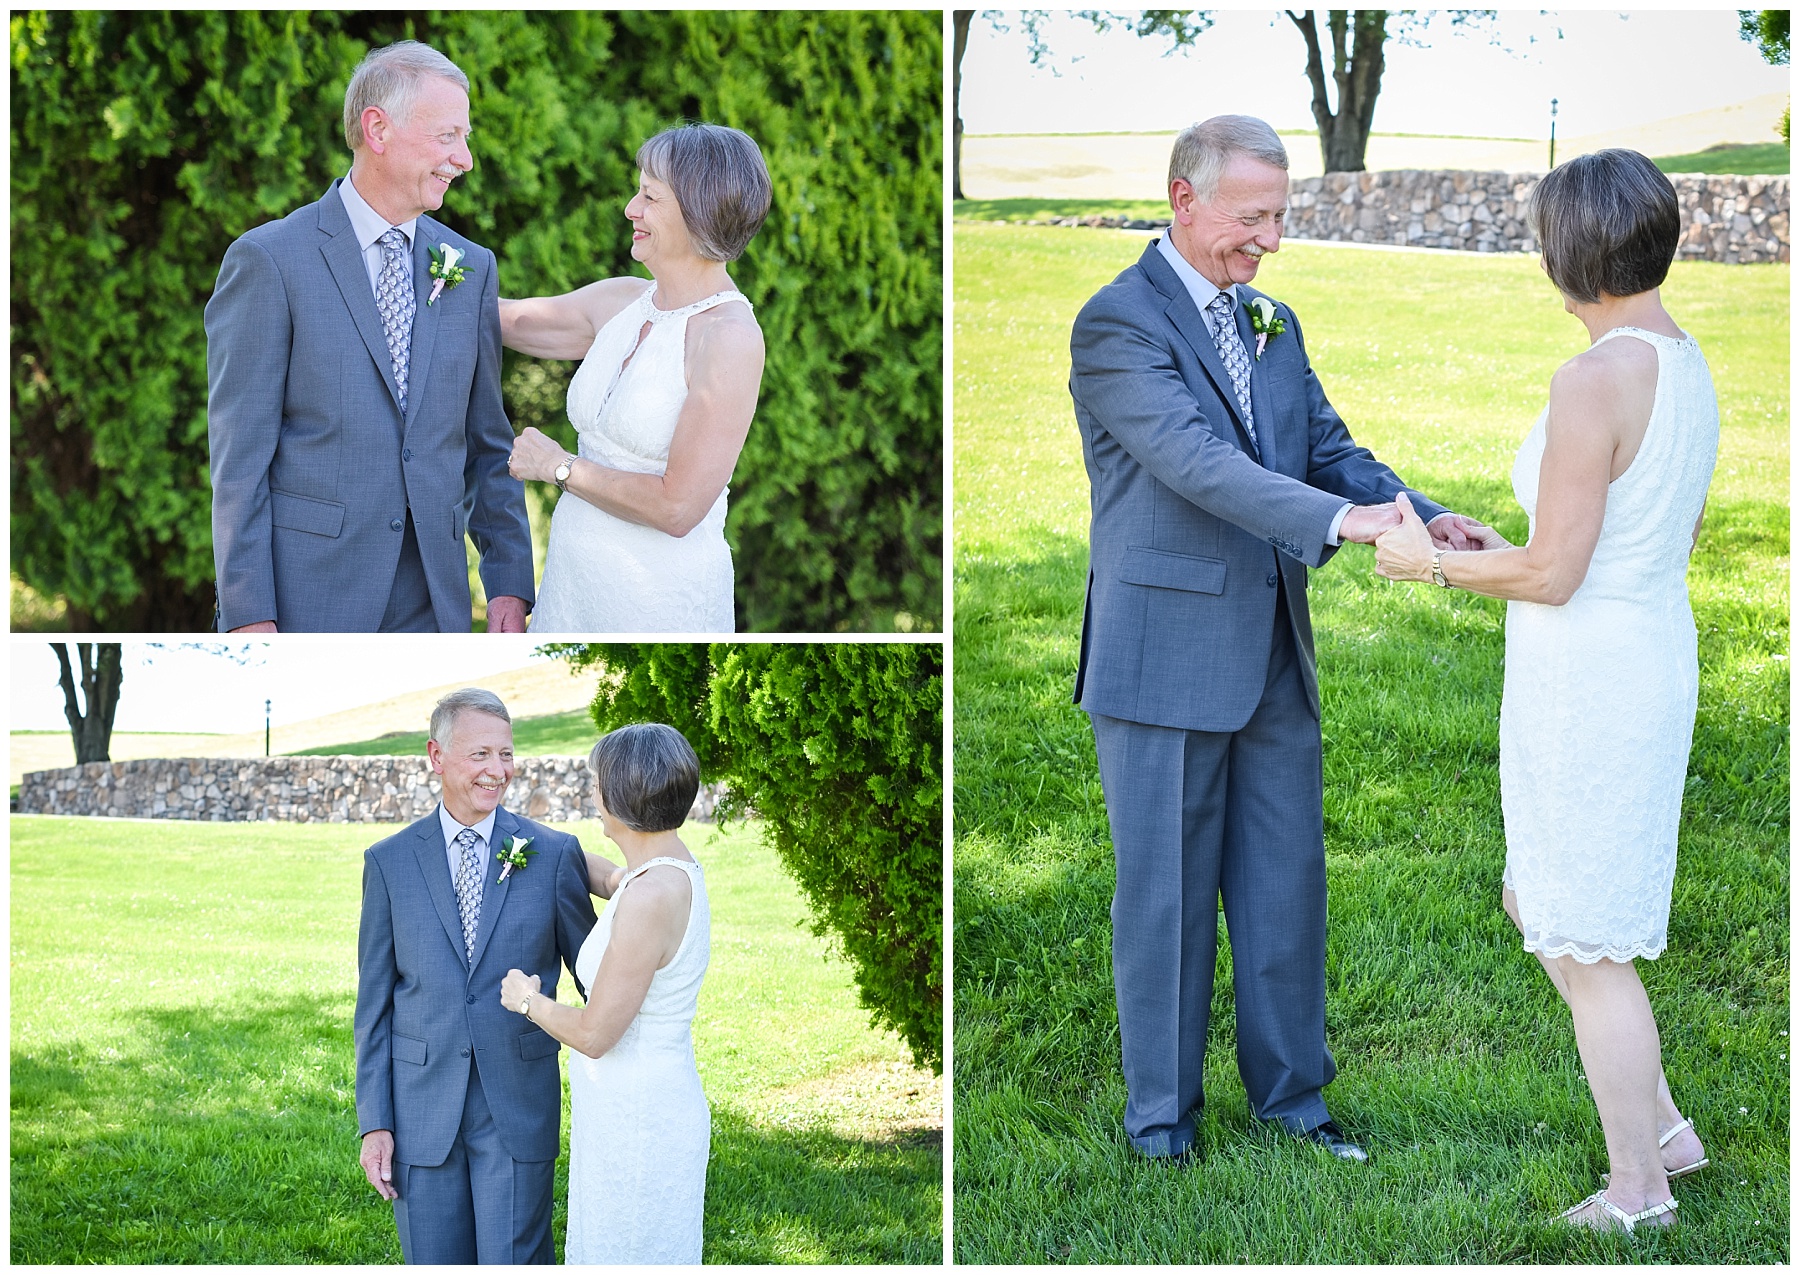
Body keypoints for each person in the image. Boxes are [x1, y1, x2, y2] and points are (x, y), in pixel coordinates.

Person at [1068, 114, 1493, 1164]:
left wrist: (1415, 508)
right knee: (1165, 905)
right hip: (1159, 658)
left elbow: (1325, 444)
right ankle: (1162, 1127)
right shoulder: (1116, 325)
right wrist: (1335, 525)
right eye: (1251, 217)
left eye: (1280, 217)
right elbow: (1196, 461)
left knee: (1283, 891)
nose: (1269, 239)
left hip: (1271, 655)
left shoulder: (1274, 321)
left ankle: (1296, 1107)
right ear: (1182, 198)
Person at [1375, 148, 1716, 1232]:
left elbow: (1557, 577)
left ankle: (1639, 1193)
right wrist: (1499, 544)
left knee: (1586, 939)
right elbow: (1617, 542)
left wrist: (1429, 563)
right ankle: (1662, 1125)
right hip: (1644, 648)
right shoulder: (1684, 359)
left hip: (1592, 683)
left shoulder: (1593, 378)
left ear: (1563, 254)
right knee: (1543, 902)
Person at [207, 41, 533, 633]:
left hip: (435, 601)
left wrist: (509, 582)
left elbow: (488, 441)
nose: (463, 159)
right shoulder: (269, 261)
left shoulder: (469, 267)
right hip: (311, 599)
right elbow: (239, 462)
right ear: (377, 129)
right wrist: (247, 614)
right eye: (447, 137)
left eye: (466, 138)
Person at [353, 689, 597, 1263]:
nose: (498, 771)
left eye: (506, 755)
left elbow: (598, 980)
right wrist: (376, 1123)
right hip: (419, 1115)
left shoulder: (553, 854)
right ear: (436, 756)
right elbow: (375, 1006)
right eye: (480, 755)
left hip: (515, 1108)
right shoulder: (388, 862)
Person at [498, 123, 770, 633]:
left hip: (656, 604)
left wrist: (559, 467)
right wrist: (414, 266)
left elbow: (678, 507)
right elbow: (507, 321)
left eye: (649, 196)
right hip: (573, 590)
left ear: (697, 211)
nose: (630, 208)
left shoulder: (728, 337)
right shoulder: (622, 300)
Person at [500, 723, 712, 1264]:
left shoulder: (652, 897)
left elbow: (596, 1035)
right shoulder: (665, 870)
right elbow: (617, 883)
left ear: (620, 795)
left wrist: (528, 999)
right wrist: (548, 847)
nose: (593, 797)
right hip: (635, 1105)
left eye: (597, 785)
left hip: (640, 1120)